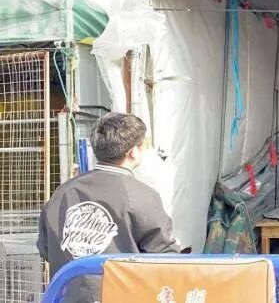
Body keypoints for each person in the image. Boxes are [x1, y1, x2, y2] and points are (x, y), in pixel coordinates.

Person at [37, 113, 181, 303]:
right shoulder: (141, 195)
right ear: (132, 152)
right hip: (121, 296)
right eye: (142, 145)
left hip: (67, 296)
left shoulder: (61, 193)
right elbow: (164, 255)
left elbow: (45, 248)